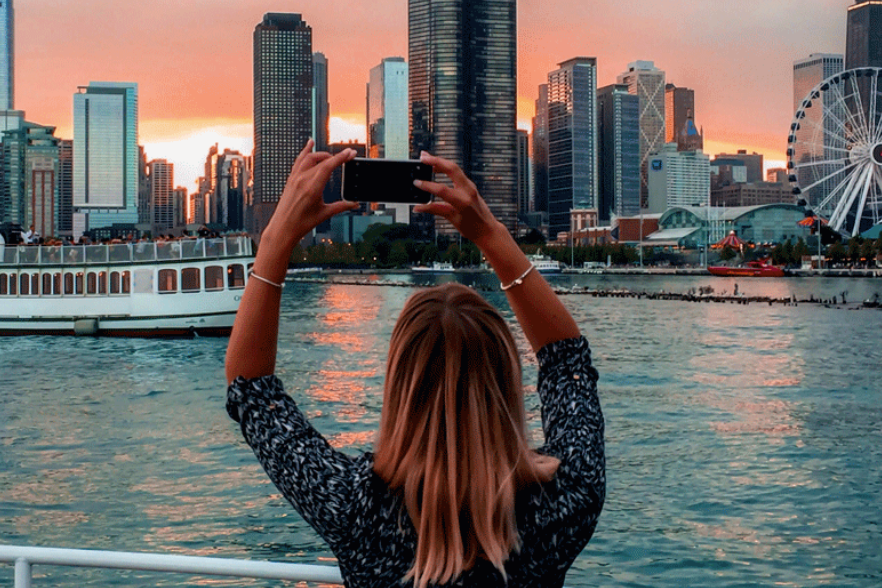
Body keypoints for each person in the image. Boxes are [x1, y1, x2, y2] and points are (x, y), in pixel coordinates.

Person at [225, 141, 604, 587]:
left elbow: (251, 389)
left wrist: (276, 239)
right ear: (505, 380)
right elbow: (566, 362)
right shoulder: (563, 503)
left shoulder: (355, 508)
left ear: (398, 383)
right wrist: (489, 233)